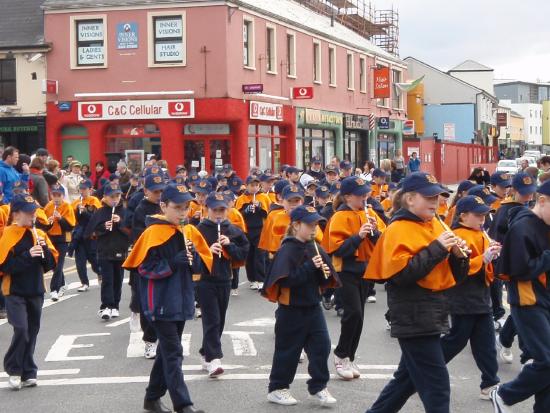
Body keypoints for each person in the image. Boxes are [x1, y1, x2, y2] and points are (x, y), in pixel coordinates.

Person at [364, 172, 469, 413]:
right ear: (410, 199)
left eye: (439, 196)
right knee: (437, 384)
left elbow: (454, 277)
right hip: (414, 313)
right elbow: (402, 275)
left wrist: (460, 257)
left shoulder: (435, 223)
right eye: (429, 196)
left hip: (434, 310)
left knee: (406, 380)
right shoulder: (398, 228)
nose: (436, 201)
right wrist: (438, 247)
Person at [123, 184, 211, 413]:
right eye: (178, 207)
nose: (183, 213)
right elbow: (144, 269)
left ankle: (151, 399)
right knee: (174, 353)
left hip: (181, 300)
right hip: (160, 302)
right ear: (163, 206)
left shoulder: (188, 231)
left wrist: (193, 260)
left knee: (166, 353)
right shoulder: (152, 233)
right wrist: (173, 262)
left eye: (186, 207)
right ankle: (184, 405)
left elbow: (198, 268)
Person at [263, 205, 339, 406]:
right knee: (288, 350)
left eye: (316, 224)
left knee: (321, 347)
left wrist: (325, 274)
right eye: (309, 224)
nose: (314, 228)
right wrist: (309, 267)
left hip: (313, 306)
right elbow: (285, 281)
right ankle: (277, 388)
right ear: (296, 225)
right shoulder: (287, 249)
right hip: (291, 309)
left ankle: (318, 386)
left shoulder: (315, 247)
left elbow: (325, 279)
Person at [491, 180, 550, 413]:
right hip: (529, 301)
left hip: (544, 298)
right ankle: (504, 395)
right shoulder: (522, 227)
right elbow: (518, 269)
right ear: (542, 201)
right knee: (546, 360)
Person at [441, 195, 502, 399]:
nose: (482, 219)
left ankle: (490, 382)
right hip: (463, 296)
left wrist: (492, 252)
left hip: (481, 295)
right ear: (463, 216)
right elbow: (460, 268)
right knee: (455, 340)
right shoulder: (457, 235)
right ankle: (423, 369)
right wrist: (483, 258)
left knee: (485, 342)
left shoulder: (480, 232)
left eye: (484, 215)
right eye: (477, 215)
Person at [325, 176, 382, 380]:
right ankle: (340, 354)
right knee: (353, 313)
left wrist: (374, 231)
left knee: (360, 316)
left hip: (365, 269)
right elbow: (338, 248)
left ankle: (349, 355)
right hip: (346, 270)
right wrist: (358, 236)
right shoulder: (339, 217)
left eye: (366, 194)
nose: (365, 198)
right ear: (347, 196)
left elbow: (381, 241)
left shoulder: (370, 212)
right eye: (360, 195)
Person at [0, 194, 57, 390]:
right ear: (16, 214)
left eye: (34, 211)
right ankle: (14, 369)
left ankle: (28, 372)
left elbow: (50, 264)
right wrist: (27, 255)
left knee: (32, 331)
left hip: (35, 289)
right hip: (14, 290)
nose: (33, 215)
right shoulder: (8, 234)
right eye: (28, 211)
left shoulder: (39, 234)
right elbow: (4, 266)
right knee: (22, 329)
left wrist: (44, 252)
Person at [196, 192, 250, 377]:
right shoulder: (199, 229)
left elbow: (244, 253)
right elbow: (191, 254)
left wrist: (230, 245)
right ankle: (214, 359)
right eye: (215, 210)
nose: (219, 214)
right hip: (204, 280)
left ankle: (205, 352)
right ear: (207, 210)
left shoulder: (232, 229)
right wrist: (207, 251)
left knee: (220, 320)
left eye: (222, 210)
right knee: (211, 319)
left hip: (225, 278)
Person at [131, 173, 166, 359]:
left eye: (161, 190)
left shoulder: (167, 206)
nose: (159, 194)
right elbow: (139, 237)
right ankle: (150, 342)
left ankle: (164, 340)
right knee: (146, 303)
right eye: (155, 191)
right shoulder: (141, 209)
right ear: (146, 191)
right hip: (148, 261)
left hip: (167, 261)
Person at [84, 182, 130, 320]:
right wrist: (103, 227)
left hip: (120, 250)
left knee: (118, 279)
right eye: (112, 197)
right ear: (105, 197)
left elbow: (131, 233)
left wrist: (120, 222)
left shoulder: (125, 212)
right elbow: (89, 233)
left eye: (117, 196)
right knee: (107, 280)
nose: (115, 199)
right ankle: (106, 306)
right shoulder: (100, 212)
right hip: (104, 251)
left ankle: (115, 306)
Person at [235, 176, 269, 290]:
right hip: (247, 230)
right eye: (252, 185)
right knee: (249, 255)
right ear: (247, 185)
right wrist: (246, 210)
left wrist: (260, 208)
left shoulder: (264, 197)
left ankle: (261, 279)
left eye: (256, 185)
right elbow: (238, 215)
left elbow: (269, 214)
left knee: (260, 255)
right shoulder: (241, 199)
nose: (254, 188)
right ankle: (252, 279)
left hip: (260, 229)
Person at [45, 184, 76, 301]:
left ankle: (54, 290)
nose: (56, 198)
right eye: (54, 195)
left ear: (63, 196)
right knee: (53, 264)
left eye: (59, 195)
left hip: (63, 239)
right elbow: (44, 227)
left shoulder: (67, 207)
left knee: (59, 264)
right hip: (51, 238)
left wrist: (61, 218)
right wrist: (49, 222)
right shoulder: (48, 207)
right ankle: (62, 283)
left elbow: (70, 226)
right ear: (51, 195)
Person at [70, 179, 101, 292]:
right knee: (80, 261)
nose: (82, 191)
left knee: (94, 259)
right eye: (81, 189)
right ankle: (84, 282)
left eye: (85, 189)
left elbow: (96, 219)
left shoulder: (94, 201)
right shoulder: (75, 202)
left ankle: (100, 273)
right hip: (79, 235)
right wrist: (77, 211)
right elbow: (72, 220)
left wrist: (85, 212)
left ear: (90, 189)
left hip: (91, 235)